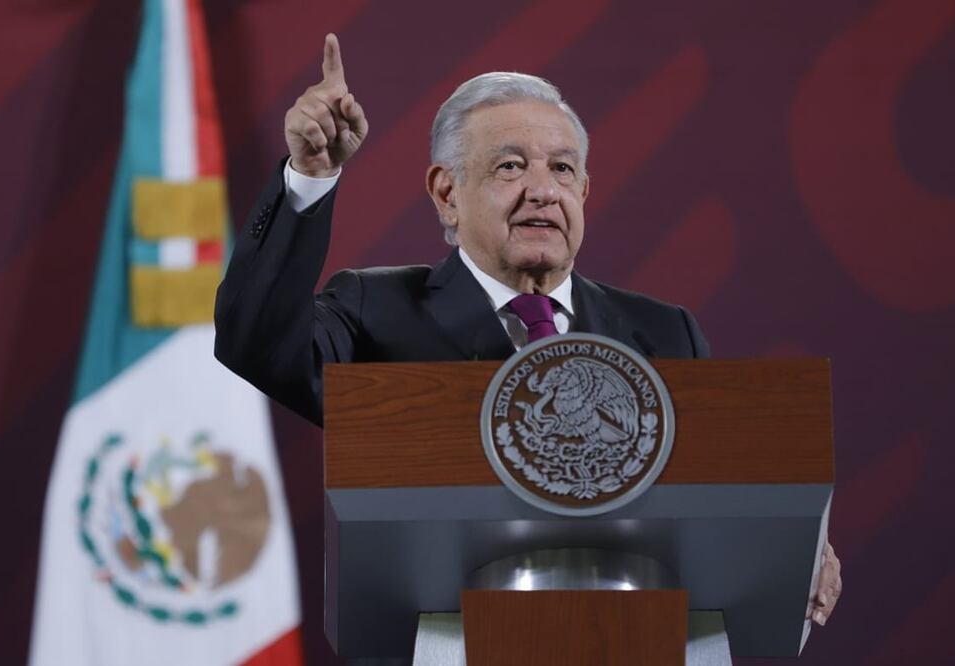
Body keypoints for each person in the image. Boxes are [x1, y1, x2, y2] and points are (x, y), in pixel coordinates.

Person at [213, 33, 841, 627]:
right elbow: (255, 340)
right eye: (511, 166)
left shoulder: (665, 333)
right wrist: (310, 176)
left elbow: (718, 497)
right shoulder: (374, 311)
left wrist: (796, 544)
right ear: (446, 193)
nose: (543, 190)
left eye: (563, 170)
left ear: (586, 191)